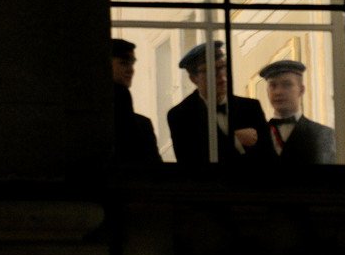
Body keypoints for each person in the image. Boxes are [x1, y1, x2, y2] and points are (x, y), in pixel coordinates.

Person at [167, 40, 269, 165]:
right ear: (193, 78)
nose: (222, 75)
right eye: (211, 70)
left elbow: (268, 157)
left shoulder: (250, 107)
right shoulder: (181, 115)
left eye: (223, 67)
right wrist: (234, 139)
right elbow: (191, 161)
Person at [259, 59, 336, 165]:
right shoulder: (257, 136)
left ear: (301, 90)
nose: (278, 92)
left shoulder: (324, 135)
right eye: (273, 86)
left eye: (287, 85)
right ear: (267, 91)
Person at [111, 38, 162, 166]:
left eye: (132, 64)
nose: (131, 70)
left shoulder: (143, 125)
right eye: (124, 63)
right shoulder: (143, 125)